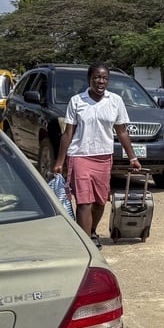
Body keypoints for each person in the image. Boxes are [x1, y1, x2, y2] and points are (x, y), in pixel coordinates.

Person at [54, 63, 142, 249]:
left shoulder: (115, 101)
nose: (101, 81)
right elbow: (68, 133)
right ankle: (85, 243)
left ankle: (92, 230)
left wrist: (132, 158)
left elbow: (122, 131)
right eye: (97, 77)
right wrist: (60, 162)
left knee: (100, 201)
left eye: (104, 78)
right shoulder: (77, 101)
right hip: (80, 156)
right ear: (89, 79)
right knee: (84, 201)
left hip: (103, 157)